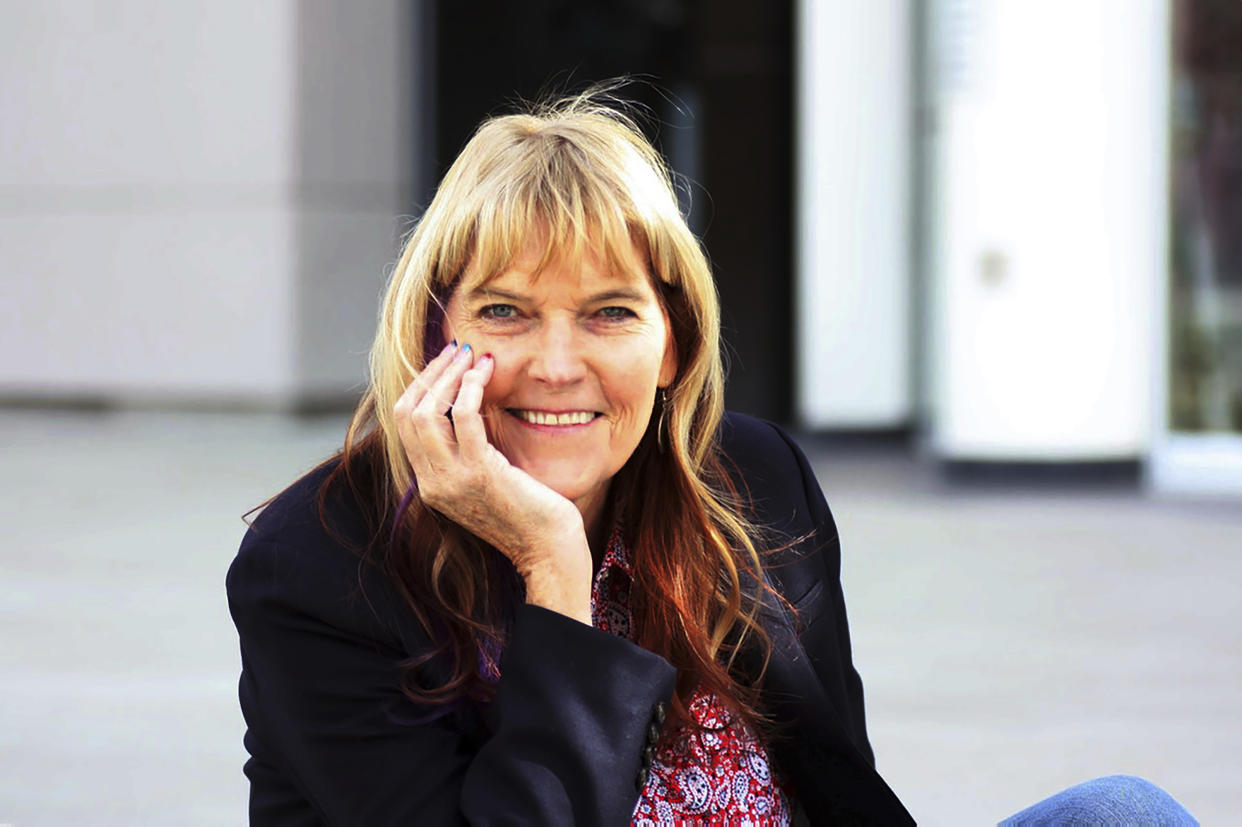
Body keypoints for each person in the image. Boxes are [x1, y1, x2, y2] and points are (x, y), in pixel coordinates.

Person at [226, 90, 1198, 826]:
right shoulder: (318, 565)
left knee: (1123, 811)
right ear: (435, 333)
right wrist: (554, 570)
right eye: (506, 310)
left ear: (674, 344)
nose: (558, 365)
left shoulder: (754, 476)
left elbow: (834, 778)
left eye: (610, 312)